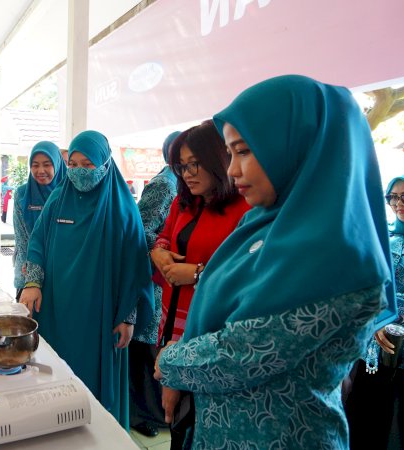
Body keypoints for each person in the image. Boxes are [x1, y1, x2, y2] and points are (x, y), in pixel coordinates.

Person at [154, 75, 396, 449]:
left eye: (244, 151)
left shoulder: (335, 255)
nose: (232, 170)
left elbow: (245, 354)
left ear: (296, 145)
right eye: (230, 154)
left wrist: (173, 360)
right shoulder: (262, 223)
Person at [19, 130, 154, 429]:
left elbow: (135, 268)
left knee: (93, 394)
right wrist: (32, 282)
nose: (79, 172)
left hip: (101, 317)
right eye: (74, 164)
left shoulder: (122, 209)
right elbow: (37, 242)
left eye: (88, 165)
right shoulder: (58, 198)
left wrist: (128, 316)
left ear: (106, 164)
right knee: (56, 380)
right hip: (56, 310)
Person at [149, 122, 250, 447]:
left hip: (209, 329)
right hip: (171, 320)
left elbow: (248, 273)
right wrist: (160, 256)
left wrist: (196, 274)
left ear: (218, 159)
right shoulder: (184, 202)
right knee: (177, 417)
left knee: (195, 414)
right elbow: (164, 237)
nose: (188, 173)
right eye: (181, 166)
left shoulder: (244, 209)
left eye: (195, 163)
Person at [346, 171, 404, 448]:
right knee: (366, 420)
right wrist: (376, 317)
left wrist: (401, 309)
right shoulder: (383, 236)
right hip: (375, 344)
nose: (399, 203)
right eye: (393, 197)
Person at [127, 131, 179, 438]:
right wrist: (163, 251)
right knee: (144, 349)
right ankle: (141, 413)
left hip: (164, 279)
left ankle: (152, 411)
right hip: (154, 278)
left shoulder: (178, 184)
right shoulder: (165, 184)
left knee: (151, 348)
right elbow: (142, 230)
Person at [12, 141, 66, 299]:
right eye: (35, 165)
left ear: (57, 164)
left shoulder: (68, 194)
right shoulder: (22, 194)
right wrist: (29, 274)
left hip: (60, 273)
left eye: (47, 165)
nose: (40, 170)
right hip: (28, 270)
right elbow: (22, 239)